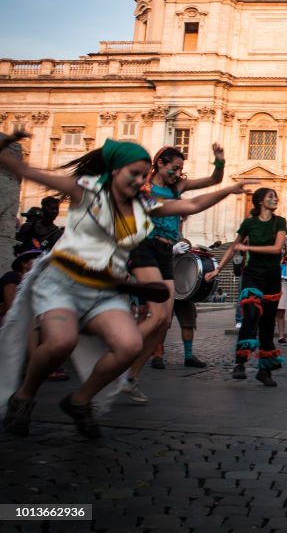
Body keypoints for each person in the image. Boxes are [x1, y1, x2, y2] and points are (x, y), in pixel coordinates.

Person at [0, 133, 249, 438]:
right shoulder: (86, 192)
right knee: (60, 342)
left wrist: (231, 190)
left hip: (105, 289)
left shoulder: (145, 205)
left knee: (129, 345)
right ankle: (24, 396)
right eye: (134, 173)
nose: (140, 180)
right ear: (116, 170)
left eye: (144, 176)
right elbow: (28, 172)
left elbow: (194, 204)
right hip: (63, 283)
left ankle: (80, 401)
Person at [121, 144, 225, 403]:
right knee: (151, 314)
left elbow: (214, 180)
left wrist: (219, 161)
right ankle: (121, 351)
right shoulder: (144, 186)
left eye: (180, 169)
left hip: (168, 251)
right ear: (159, 164)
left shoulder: (177, 187)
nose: (178, 173)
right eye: (174, 167)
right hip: (146, 245)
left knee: (164, 321)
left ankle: (131, 377)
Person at [207, 188, 287, 388]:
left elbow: (277, 248)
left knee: (268, 324)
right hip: (252, 275)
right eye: (270, 196)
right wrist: (218, 269)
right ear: (260, 201)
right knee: (251, 314)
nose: (274, 198)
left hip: (271, 276)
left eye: (276, 196)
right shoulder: (249, 223)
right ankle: (240, 362)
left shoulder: (280, 222)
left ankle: (264, 370)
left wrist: (248, 248)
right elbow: (234, 246)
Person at [1, 246, 42, 326]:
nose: (40, 261)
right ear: (24, 263)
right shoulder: (12, 277)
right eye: (36, 258)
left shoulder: (34, 282)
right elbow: (12, 311)